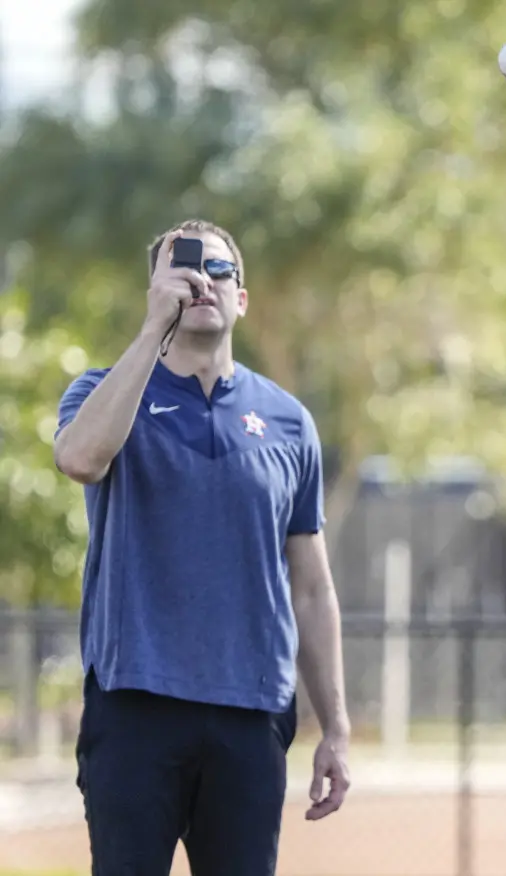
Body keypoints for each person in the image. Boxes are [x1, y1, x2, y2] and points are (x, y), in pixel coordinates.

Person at [53, 219, 351, 876]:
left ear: (242, 299)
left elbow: (311, 586)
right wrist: (149, 332)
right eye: (182, 267)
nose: (203, 281)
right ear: (155, 291)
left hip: (251, 711)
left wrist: (335, 726)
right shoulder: (102, 393)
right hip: (136, 705)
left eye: (220, 270)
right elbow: (79, 458)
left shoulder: (288, 421)